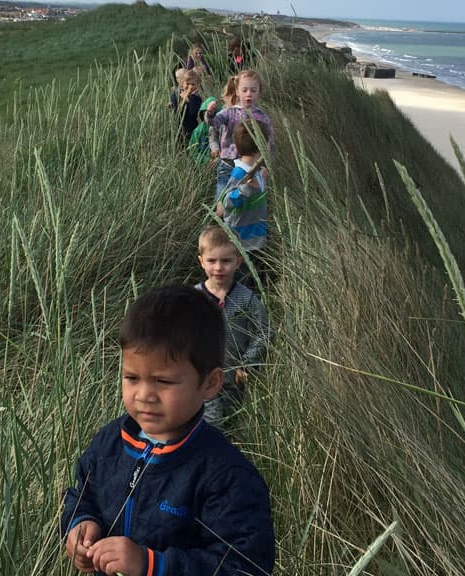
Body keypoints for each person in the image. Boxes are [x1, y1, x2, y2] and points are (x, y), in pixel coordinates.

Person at [61, 285, 275, 576]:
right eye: (132, 377)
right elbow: (81, 492)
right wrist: (80, 523)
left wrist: (152, 565)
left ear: (211, 383)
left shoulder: (227, 477)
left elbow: (246, 567)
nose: (144, 394)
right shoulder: (110, 442)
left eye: (163, 381)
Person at [194, 226, 271, 424]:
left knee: (232, 425)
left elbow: (265, 331)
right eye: (212, 261)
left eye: (226, 261)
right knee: (210, 425)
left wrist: (247, 363)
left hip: (233, 380)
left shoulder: (246, 298)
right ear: (201, 261)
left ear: (238, 261)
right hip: (201, 379)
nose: (219, 267)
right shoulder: (193, 297)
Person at [217, 120, 270, 283]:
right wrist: (245, 190)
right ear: (261, 146)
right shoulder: (240, 173)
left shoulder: (258, 171)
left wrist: (263, 180)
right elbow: (226, 203)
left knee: (257, 281)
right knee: (244, 282)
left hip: (258, 238)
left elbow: (258, 197)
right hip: (242, 242)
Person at [208, 69, 274, 199]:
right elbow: (214, 123)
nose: (249, 94)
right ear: (237, 91)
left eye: (253, 90)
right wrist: (210, 113)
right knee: (221, 199)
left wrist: (267, 163)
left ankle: (240, 219)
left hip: (251, 166)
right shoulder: (229, 112)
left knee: (245, 200)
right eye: (244, 90)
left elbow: (269, 142)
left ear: (259, 93)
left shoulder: (262, 117)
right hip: (228, 164)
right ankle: (219, 217)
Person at [169, 69, 203, 141]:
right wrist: (184, 100)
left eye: (193, 84)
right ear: (182, 83)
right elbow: (177, 114)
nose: (190, 87)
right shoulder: (175, 95)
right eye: (187, 83)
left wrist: (188, 99)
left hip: (191, 130)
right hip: (178, 131)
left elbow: (193, 112)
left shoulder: (196, 98)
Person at [187, 96, 217, 165]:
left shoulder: (222, 128)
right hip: (203, 167)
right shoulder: (199, 130)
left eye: (211, 113)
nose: (207, 116)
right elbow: (193, 149)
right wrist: (206, 161)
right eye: (205, 113)